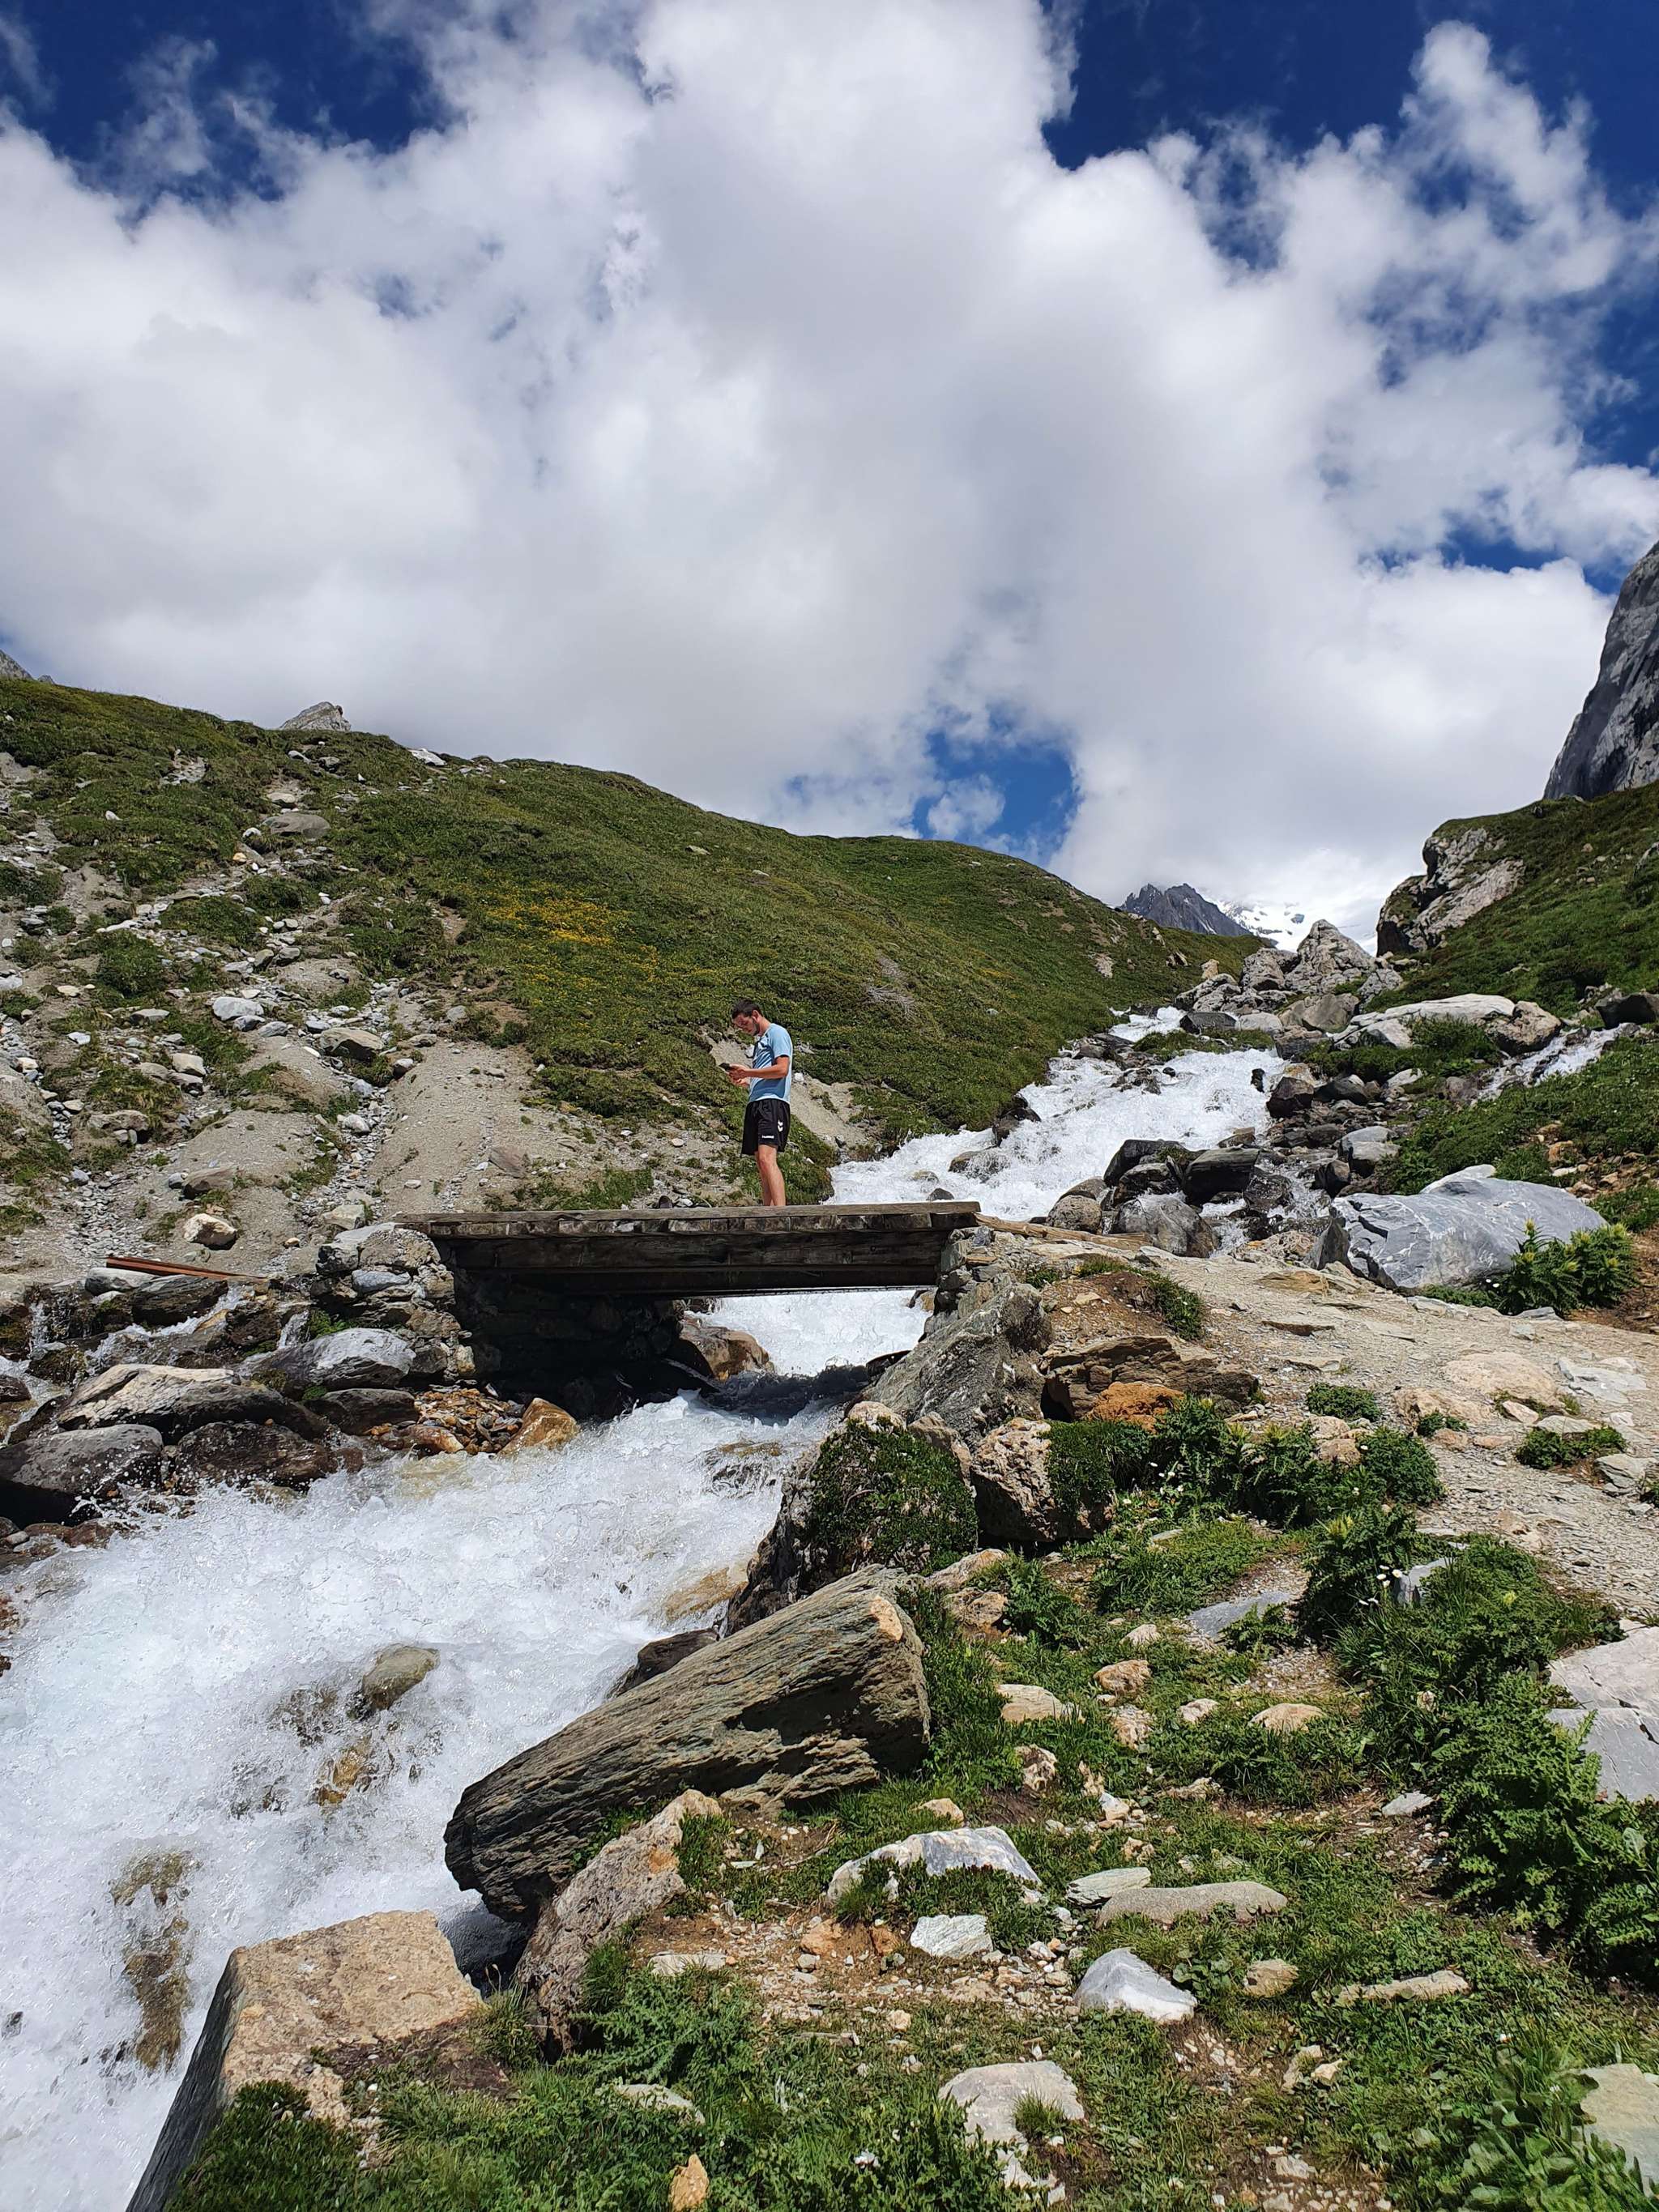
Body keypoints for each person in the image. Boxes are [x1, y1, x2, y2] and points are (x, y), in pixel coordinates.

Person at [726, 999, 792, 1207]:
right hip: (756, 1102)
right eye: (739, 1026)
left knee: (767, 1158)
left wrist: (749, 1072)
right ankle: (768, 1212)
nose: (743, 1029)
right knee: (761, 1164)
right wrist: (746, 1081)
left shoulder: (777, 1033)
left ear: (755, 1015)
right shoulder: (760, 1042)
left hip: (772, 1103)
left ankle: (781, 1213)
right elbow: (765, 1075)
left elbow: (782, 1069)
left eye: (744, 1023)